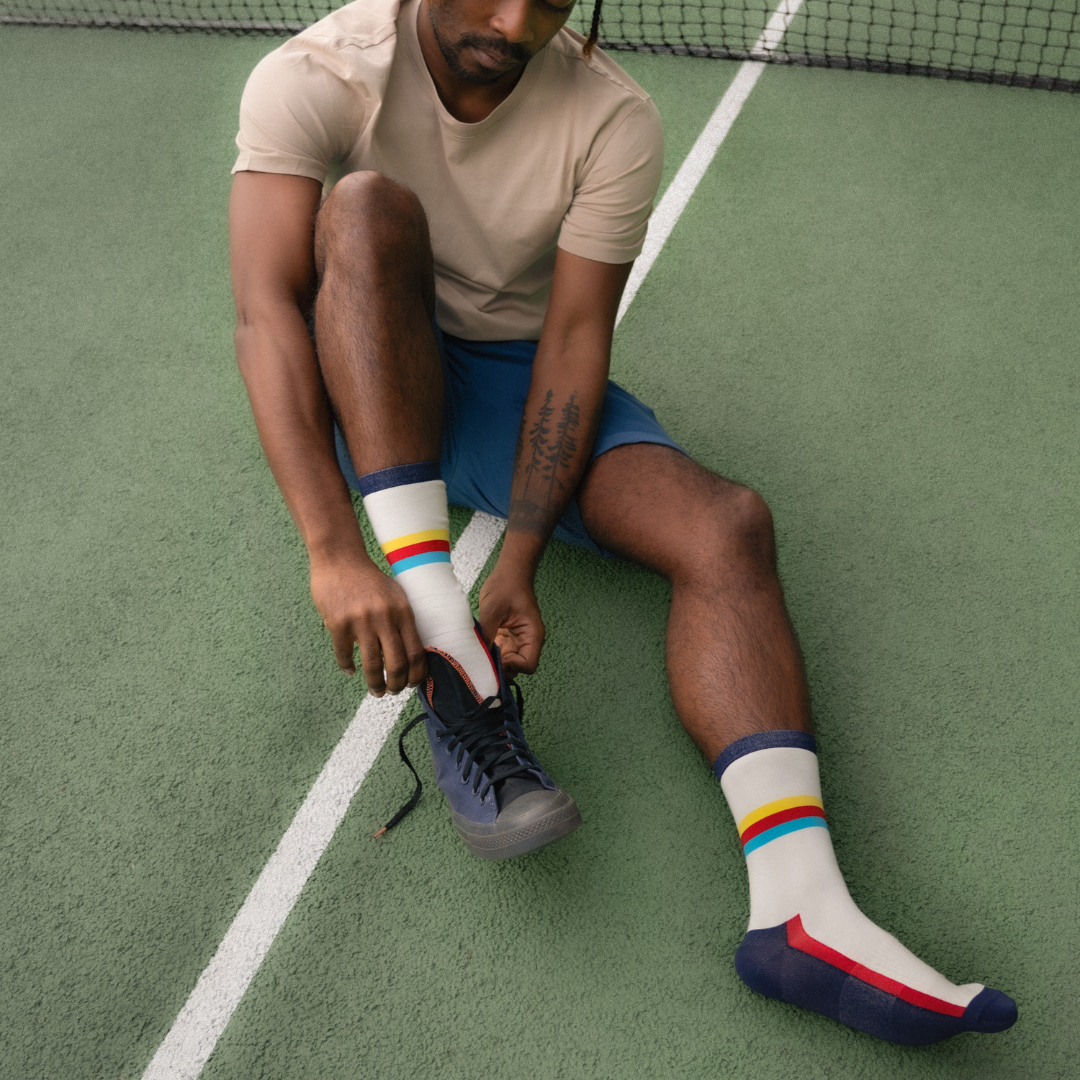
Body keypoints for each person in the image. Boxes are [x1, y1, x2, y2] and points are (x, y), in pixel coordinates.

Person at [227, 0, 1017, 1045]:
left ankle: (800, 911)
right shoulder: (322, 70)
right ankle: (448, 647)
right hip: (363, 361)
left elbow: (571, 341)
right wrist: (335, 550)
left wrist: (523, 555)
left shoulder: (612, 118)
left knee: (728, 526)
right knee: (368, 206)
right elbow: (264, 306)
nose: (513, 22)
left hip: (509, 373)